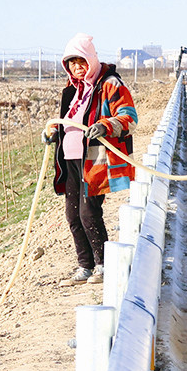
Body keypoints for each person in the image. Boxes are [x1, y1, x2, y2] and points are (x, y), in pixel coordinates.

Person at [43, 34, 137, 284]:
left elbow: (128, 117)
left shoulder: (110, 84)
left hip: (94, 159)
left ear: (92, 60)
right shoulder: (72, 90)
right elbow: (66, 121)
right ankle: (84, 266)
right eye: (71, 62)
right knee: (73, 216)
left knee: (88, 213)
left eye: (81, 61)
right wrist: (54, 132)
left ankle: (103, 265)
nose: (77, 67)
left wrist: (107, 126)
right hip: (69, 160)